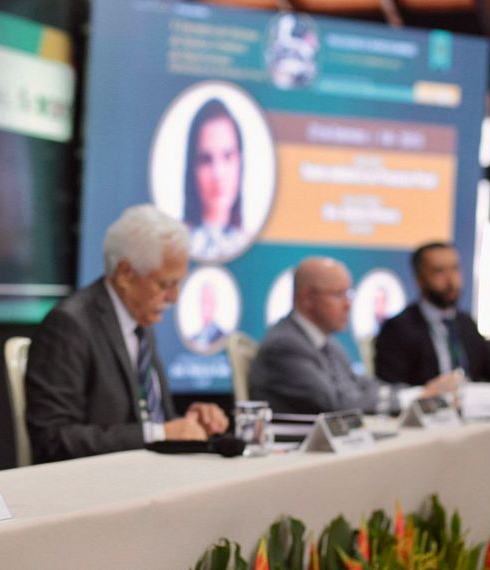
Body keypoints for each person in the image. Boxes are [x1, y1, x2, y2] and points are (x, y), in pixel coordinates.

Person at [26, 204, 229, 463]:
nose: (174, 297)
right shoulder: (70, 325)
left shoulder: (139, 325)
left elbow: (152, 418)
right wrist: (159, 434)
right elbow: (53, 438)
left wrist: (190, 423)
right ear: (125, 274)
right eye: (166, 284)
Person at [249, 257, 455, 414]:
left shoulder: (328, 344)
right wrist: (413, 398)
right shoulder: (285, 346)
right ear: (306, 298)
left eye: (348, 294)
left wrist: (417, 393)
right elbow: (337, 405)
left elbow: (361, 385)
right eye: (338, 294)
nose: (348, 305)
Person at [375, 242, 490, 387]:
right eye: (439, 271)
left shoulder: (465, 323)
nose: (451, 280)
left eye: (455, 269)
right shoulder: (398, 329)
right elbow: (391, 390)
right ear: (420, 280)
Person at [183, 99, 249, 261]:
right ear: (192, 167)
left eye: (227, 156)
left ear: (240, 162)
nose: (218, 174)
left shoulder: (252, 243)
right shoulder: (173, 246)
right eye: (206, 160)